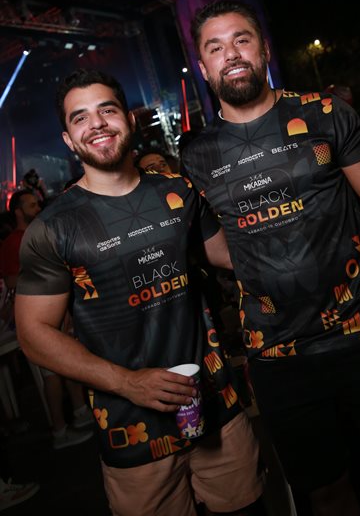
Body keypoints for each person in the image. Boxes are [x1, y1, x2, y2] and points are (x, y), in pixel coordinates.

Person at [181, 0, 360, 516]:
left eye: (242, 39)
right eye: (215, 47)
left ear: (264, 49)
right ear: (203, 67)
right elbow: (216, 247)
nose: (232, 54)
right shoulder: (195, 155)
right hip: (279, 357)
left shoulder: (323, 113)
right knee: (327, 492)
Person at [14, 69, 265, 516]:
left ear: (129, 120)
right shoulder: (52, 228)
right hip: (132, 431)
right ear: (68, 139)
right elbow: (34, 334)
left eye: (107, 110)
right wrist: (127, 383)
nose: (97, 123)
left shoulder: (178, 191)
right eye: (80, 117)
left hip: (217, 408)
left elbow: (230, 256)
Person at [0, 189, 94, 450]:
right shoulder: (12, 242)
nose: (38, 208)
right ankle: (59, 431)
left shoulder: (40, 232)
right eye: (31, 205)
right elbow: (11, 281)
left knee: (71, 359)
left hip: (56, 311)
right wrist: (42, 273)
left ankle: (80, 412)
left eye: (37, 203)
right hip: (35, 316)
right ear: (18, 211)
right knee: (51, 375)